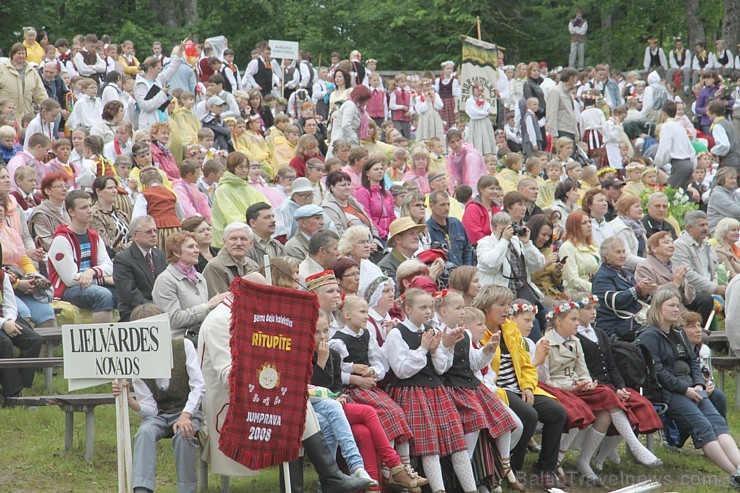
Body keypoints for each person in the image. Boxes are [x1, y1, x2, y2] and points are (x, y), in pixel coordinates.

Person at [196, 271, 371, 492]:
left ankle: (327, 479)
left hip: (257, 393)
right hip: (229, 404)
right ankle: (331, 478)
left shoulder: (248, 310)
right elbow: (227, 375)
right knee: (294, 406)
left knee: (296, 403)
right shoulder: (220, 321)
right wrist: (274, 383)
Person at [541, 299, 661, 485]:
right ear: (559, 321)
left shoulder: (575, 340)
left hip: (580, 386)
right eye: (573, 318)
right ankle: (634, 446)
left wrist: (587, 382)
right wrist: (576, 385)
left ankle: (586, 461)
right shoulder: (546, 342)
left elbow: (584, 369)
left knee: (608, 413)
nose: (577, 322)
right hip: (559, 389)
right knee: (599, 400)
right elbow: (545, 380)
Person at [637, 290, 740, 489]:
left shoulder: (678, 333)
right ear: (658, 308)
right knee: (703, 426)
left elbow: (692, 361)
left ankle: (739, 467)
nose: (676, 309)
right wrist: (686, 389)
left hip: (691, 387)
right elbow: (657, 371)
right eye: (671, 306)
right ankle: (734, 475)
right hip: (667, 392)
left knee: (718, 422)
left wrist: (699, 383)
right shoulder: (649, 336)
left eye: (678, 305)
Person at [383, 289, 478, 493]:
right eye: (423, 307)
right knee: (429, 449)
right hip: (411, 393)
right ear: (407, 309)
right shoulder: (396, 334)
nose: (428, 312)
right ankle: (438, 490)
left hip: (436, 392)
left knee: (458, 445)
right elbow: (401, 370)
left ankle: (472, 490)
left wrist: (446, 347)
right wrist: (424, 349)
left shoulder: (431, 330)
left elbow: (441, 368)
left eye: (430, 307)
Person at [471, 285, 566, 489]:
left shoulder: (510, 329)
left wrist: (529, 387)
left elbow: (525, 364)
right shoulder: (479, 331)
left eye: (508, 304)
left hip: (519, 387)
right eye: (501, 305)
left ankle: (546, 469)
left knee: (557, 412)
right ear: (487, 307)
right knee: (529, 415)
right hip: (498, 390)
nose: (507, 309)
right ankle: (512, 468)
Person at [113, 304, 205, 493]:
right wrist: (131, 401)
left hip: (186, 410)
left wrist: (186, 414)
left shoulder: (183, 346)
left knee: (184, 434)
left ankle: (187, 489)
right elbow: (150, 408)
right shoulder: (138, 360)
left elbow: (198, 386)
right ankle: (141, 487)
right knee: (145, 432)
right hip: (160, 415)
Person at [572, 294, 664, 470]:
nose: (593, 312)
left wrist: (620, 387)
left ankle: (600, 458)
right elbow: (583, 369)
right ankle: (636, 447)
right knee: (616, 407)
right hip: (591, 387)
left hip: (610, 387)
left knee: (638, 404)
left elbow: (611, 365)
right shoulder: (575, 337)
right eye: (587, 308)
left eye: (594, 308)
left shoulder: (599, 333)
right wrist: (613, 392)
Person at [48, 190, 117, 323]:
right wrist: (103, 280)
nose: (90, 211)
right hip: (66, 290)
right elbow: (70, 279)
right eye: (84, 207)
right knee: (103, 295)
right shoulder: (61, 240)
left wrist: (91, 272)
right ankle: (101, 340)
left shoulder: (94, 236)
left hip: (90, 282)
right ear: (71, 212)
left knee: (125, 291)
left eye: (90, 206)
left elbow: (109, 266)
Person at [152, 232, 229, 345]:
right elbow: (173, 319)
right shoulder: (165, 280)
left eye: (197, 246)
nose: (197, 250)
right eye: (191, 247)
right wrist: (206, 306)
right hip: (179, 344)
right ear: (176, 252)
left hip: (202, 338)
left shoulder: (199, 277)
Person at [635, 231, 714, 324]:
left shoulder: (674, 266)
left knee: (706, 300)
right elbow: (651, 295)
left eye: (672, 242)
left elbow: (689, 298)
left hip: (680, 307)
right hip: (661, 311)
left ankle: (696, 329)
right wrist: (675, 283)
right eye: (666, 242)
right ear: (654, 248)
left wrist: (683, 283)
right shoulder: (644, 266)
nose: (671, 245)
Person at [592, 236, 656, 340]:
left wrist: (645, 292)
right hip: (615, 326)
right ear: (606, 256)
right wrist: (637, 289)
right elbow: (613, 301)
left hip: (631, 323)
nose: (623, 256)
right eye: (618, 252)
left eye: (623, 252)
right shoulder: (601, 276)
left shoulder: (627, 273)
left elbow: (637, 297)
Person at [0, 242, 41, 399]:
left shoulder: (3, 275)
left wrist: (9, 319)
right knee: (4, 343)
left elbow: (10, 302)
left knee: (34, 339)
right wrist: (4, 324)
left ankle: (21, 385)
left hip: (6, 315)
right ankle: (13, 394)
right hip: (2, 321)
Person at [113, 216, 167, 322]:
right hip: (135, 313)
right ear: (135, 235)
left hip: (161, 310)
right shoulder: (123, 260)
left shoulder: (161, 256)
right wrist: (155, 310)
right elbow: (129, 294)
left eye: (155, 231)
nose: (153, 234)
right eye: (148, 232)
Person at [210, 152, 267, 248]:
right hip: (227, 242)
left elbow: (264, 207)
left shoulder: (248, 188)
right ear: (232, 168)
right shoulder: (223, 190)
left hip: (249, 237)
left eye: (246, 166)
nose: (244, 170)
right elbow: (233, 217)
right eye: (240, 167)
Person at [673, 210, 726, 302]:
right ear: (690, 227)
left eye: (706, 224)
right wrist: (714, 288)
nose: (706, 228)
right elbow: (687, 274)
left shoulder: (708, 246)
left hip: (710, 290)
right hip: (690, 293)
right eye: (701, 225)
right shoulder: (679, 245)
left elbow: (715, 271)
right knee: (707, 300)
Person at [134, 42, 185, 130]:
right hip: (149, 125)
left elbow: (171, 70)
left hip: (163, 122)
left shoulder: (158, 79)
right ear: (151, 69)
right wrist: (162, 94)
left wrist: (180, 52)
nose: (160, 71)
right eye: (158, 68)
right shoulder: (140, 85)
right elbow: (146, 106)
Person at [203, 223, 259, 297]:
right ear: (225, 242)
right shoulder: (215, 266)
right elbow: (221, 303)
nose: (239, 243)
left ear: (251, 244)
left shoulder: (254, 266)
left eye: (243, 239)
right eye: (233, 239)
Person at [654, 101, 697, 191]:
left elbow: (664, 148)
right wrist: (693, 166)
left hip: (679, 164)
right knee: (681, 195)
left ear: (663, 113)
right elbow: (691, 149)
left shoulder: (666, 127)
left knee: (671, 194)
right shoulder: (680, 127)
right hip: (688, 164)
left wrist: (657, 164)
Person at [322, 170, 378, 238]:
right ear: (332, 188)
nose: (347, 187)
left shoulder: (353, 201)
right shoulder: (328, 207)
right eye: (343, 185)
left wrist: (376, 242)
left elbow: (371, 224)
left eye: (349, 184)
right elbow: (338, 234)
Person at [0, 43, 47, 120]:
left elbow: (40, 92)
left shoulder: (32, 71)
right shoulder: (2, 68)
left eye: (23, 53)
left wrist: (48, 107)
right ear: (12, 54)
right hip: (5, 116)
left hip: (26, 115)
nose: (21, 56)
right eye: (19, 53)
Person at [559, 211, 600, 297]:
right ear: (574, 227)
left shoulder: (593, 245)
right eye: (584, 223)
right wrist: (596, 288)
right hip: (576, 293)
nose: (589, 225)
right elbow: (573, 280)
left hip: (596, 288)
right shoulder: (567, 247)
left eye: (590, 222)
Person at [426, 191, 473, 267]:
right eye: (442, 205)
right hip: (442, 275)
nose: (447, 208)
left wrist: (467, 270)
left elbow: (467, 249)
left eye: (448, 204)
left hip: (462, 273)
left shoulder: (456, 223)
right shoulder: (427, 229)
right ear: (431, 206)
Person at [355, 154, 395, 242]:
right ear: (367, 173)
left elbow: (392, 216)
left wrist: (394, 232)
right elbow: (367, 218)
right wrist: (382, 234)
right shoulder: (362, 193)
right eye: (376, 169)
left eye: (381, 169)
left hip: (390, 236)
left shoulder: (387, 193)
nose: (380, 171)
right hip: (375, 237)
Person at [609, 195, 647, 271]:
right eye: (636, 206)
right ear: (626, 210)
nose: (641, 209)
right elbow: (626, 257)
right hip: (625, 270)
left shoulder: (638, 226)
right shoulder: (619, 227)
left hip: (640, 269)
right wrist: (650, 263)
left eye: (640, 206)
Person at [329, 85, 372, 151]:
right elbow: (345, 125)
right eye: (366, 99)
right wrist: (354, 139)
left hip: (348, 142)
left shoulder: (358, 108)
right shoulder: (350, 105)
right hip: (343, 143)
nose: (367, 102)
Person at [461, 175, 501, 246]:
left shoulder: (496, 207)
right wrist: (494, 242)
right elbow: (474, 236)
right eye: (491, 188)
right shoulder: (472, 208)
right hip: (479, 248)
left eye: (496, 189)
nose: (495, 191)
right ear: (481, 189)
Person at [245, 202, 286, 268]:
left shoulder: (279, 246)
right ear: (252, 223)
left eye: (273, 217)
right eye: (267, 217)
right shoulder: (244, 246)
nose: (273, 220)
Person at [545, 68, 579, 147]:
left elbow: (572, 114)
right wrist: (554, 135)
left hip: (571, 130)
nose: (576, 82)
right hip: (561, 130)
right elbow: (551, 113)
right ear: (570, 78)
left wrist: (576, 133)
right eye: (576, 79)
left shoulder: (569, 93)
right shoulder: (555, 91)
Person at [706, 99, 740, 168]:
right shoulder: (728, 123)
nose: (706, 113)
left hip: (729, 162)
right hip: (736, 159)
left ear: (714, 112)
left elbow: (724, 145)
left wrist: (712, 152)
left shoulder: (718, 126)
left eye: (708, 111)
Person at [465, 83, 496, 155]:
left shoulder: (483, 100)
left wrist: (484, 102)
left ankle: (487, 153)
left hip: (485, 123)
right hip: (476, 123)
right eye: (478, 90)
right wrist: (485, 113)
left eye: (481, 91)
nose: (480, 93)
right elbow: (474, 113)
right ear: (473, 91)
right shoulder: (470, 101)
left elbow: (488, 108)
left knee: (486, 138)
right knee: (477, 138)